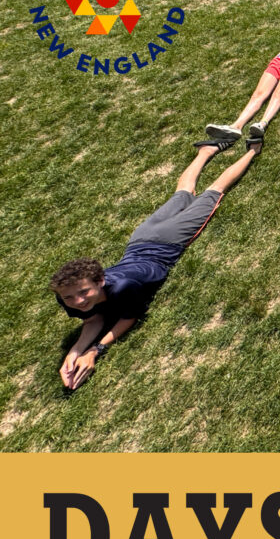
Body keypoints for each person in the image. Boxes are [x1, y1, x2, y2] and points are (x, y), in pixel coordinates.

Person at [50, 136, 263, 389]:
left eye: (84, 292)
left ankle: (252, 151)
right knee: (183, 193)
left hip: (168, 242)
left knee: (214, 192)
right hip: (139, 239)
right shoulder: (69, 296)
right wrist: (74, 353)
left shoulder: (123, 287)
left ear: (101, 280)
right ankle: (205, 152)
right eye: (70, 298)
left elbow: (129, 318)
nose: (79, 301)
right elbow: (93, 319)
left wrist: (96, 350)